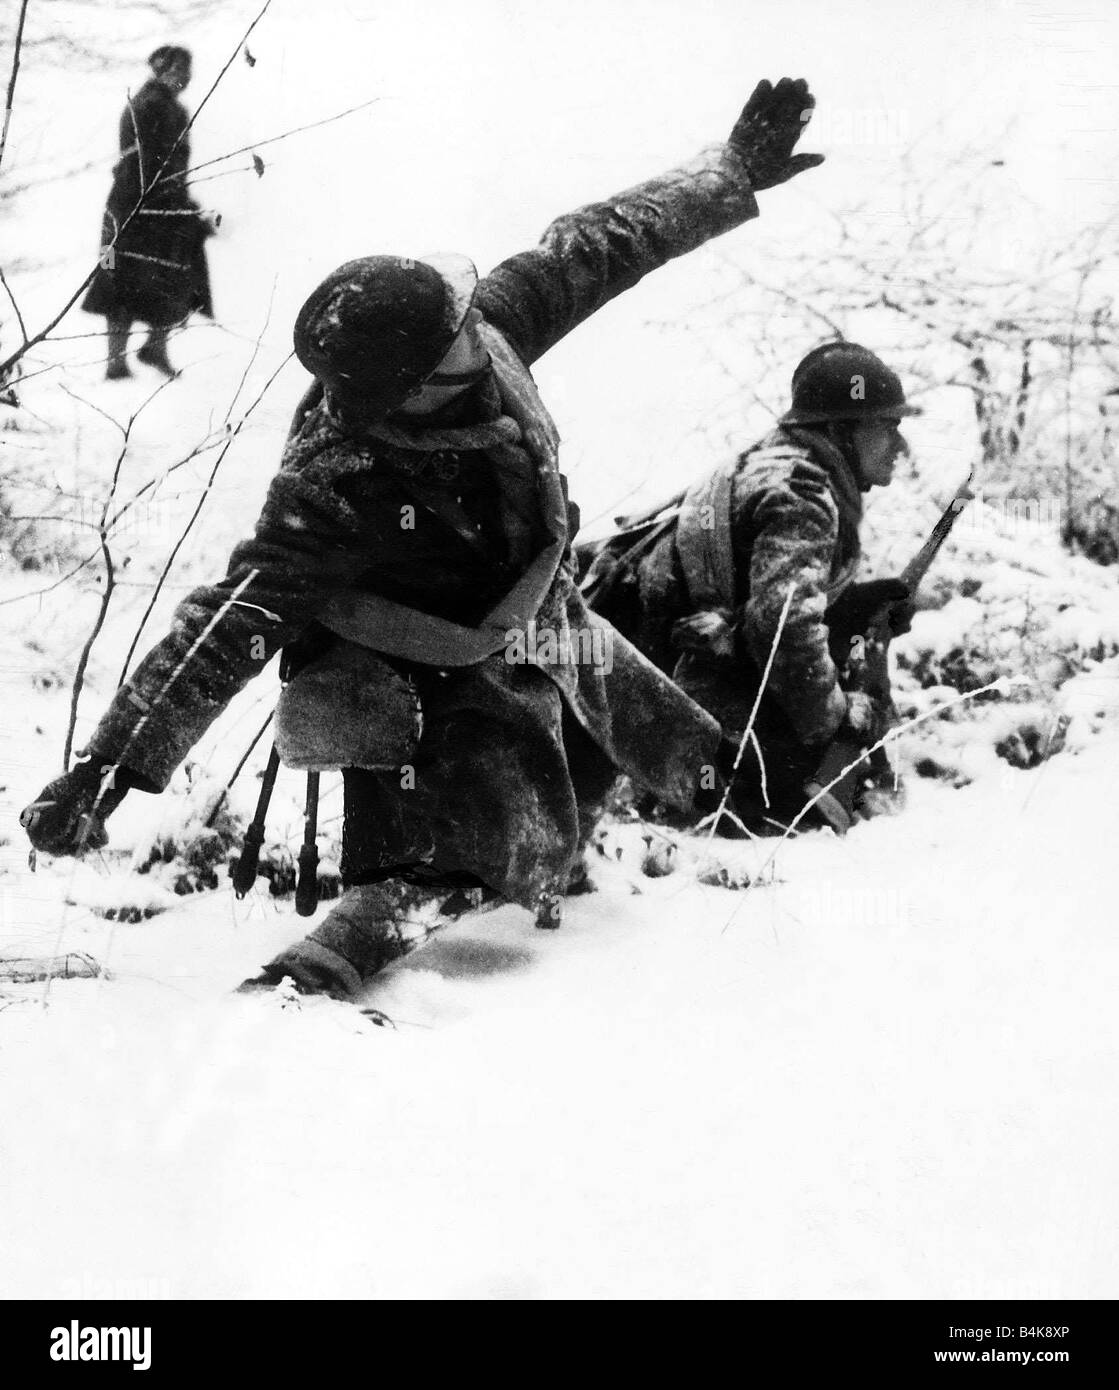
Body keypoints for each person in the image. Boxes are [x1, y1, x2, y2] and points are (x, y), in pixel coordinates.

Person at [24, 78, 823, 998]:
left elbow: (597, 244)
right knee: (427, 868)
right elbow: (231, 618)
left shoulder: (480, 326)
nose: (474, 343)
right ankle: (307, 990)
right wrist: (107, 767)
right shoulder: (335, 479)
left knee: (658, 753)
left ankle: (572, 875)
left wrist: (728, 173)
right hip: (403, 667)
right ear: (395, 396)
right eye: (448, 346)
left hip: (532, 613)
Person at [581, 341, 920, 832]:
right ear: (840, 429)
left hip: (645, 673)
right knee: (791, 805)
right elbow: (784, 631)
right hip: (668, 692)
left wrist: (855, 604)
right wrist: (836, 722)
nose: (900, 446)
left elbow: (761, 601)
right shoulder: (803, 494)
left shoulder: (771, 464)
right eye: (887, 426)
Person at [82, 45, 214, 380]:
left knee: (171, 273)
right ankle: (116, 360)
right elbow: (143, 161)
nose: (185, 77)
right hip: (132, 203)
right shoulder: (146, 106)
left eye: (188, 69)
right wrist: (168, 199)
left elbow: (176, 166)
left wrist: (184, 202)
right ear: (163, 70)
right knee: (118, 275)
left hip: (164, 204)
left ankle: (155, 347)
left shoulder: (177, 111)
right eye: (180, 69)